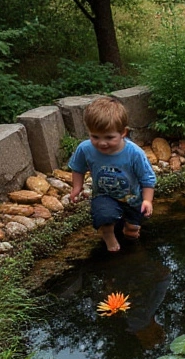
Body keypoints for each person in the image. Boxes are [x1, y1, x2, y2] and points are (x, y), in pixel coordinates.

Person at [67, 97, 156, 252]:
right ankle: (108, 235)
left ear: (123, 133)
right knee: (105, 216)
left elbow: (147, 179)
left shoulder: (134, 153)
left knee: (132, 231)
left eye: (109, 137)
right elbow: (78, 168)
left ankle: (130, 242)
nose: (102, 143)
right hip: (104, 194)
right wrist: (77, 187)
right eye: (95, 137)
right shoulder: (85, 149)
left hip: (132, 198)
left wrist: (147, 201)